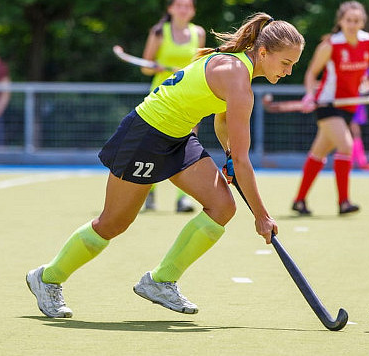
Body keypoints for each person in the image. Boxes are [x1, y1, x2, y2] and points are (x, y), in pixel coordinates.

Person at [26, 13, 304, 318]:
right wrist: (262, 216)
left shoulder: (238, 68)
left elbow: (223, 120)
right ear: (263, 52)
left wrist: (226, 155)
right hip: (145, 133)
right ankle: (47, 278)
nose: (289, 71)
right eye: (286, 63)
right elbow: (242, 159)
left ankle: (161, 281)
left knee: (222, 207)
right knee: (113, 223)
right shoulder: (238, 79)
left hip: (178, 137)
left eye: (293, 65)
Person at [292, 1, 369, 216]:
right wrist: (310, 94)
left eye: (357, 21)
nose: (352, 25)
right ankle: (344, 202)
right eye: (348, 20)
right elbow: (311, 73)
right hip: (328, 104)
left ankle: (299, 201)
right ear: (340, 22)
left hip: (348, 106)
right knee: (346, 146)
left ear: (362, 22)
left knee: (318, 152)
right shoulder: (330, 45)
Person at [140, 0, 207, 213]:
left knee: (187, 146)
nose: (183, 9)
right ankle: (147, 193)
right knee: (154, 146)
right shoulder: (159, 32)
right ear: (170, 9)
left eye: (188, 5)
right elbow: (146, 67)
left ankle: (183, 199)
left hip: (188, 96)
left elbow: (199, 64)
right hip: (160, 98)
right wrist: (156, 67)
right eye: (179, 5)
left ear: (194, 10)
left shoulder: (199, 33)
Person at [350, 68, 369, 171]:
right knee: (353, 133)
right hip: (348, 102)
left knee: (355, 133)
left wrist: (364, 88)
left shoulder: (366, 68)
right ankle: (359, 162)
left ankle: (354, 162)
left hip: (358, 104)